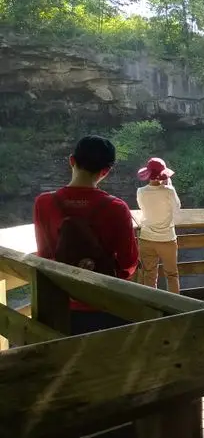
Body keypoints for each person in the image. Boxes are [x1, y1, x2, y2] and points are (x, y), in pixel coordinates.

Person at [33, 135, 139, 335]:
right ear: (106, 171)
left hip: (58, 305)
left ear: (71, 160)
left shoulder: (44, 203)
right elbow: (128, 263)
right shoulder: (116, 207)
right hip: (105, 303)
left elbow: (44, 255)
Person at [136, 157, 182, 294]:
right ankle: (175, 305)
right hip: (167, 239)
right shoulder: (169, 191)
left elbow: (144, 208)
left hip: (146, 238)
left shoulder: (141, 192)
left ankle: (151, 307)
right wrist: (170, 186)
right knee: (172, 275)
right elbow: (177, 208)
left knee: (149, 275)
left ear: (148, 174)